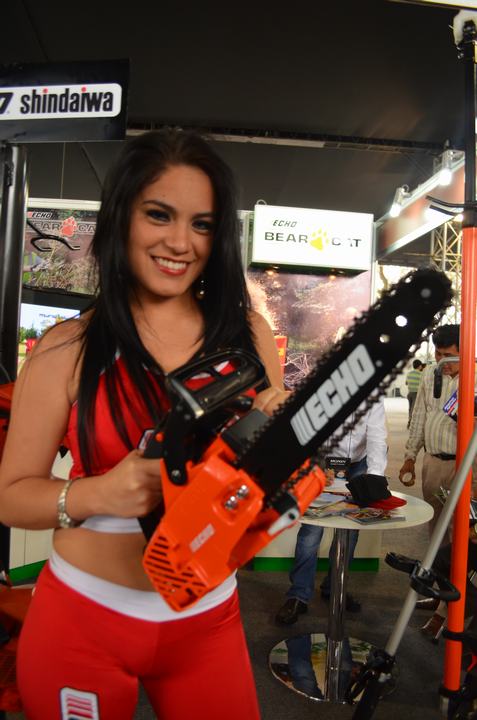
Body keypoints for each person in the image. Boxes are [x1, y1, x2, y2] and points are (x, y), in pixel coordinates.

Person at [0, 129, 288, 720]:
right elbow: (10, 496)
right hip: (82, 619)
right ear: (121, 218)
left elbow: (257, 481)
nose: (180, 242)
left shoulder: (249, 335)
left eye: (202, 224)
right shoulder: (68, 348)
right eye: (159, 214)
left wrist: (278, 457)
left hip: (208, 620)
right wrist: (100, 493)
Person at [275, 398, 388, 625]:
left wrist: (374, 475)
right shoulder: (325, 387)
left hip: (358, 464)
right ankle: (298, 594)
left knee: (350, 530)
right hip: (323, 461)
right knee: (311, 530)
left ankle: (336, 587)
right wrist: (313, 466)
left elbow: (376, 436)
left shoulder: (373, 393)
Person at [398, 324, 477, 611]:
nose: (442, 361)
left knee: (462, 534)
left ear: (464, 352)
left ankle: (454, 609)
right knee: (437, 531)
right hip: (432, 463)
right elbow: (419, 416)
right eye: (438, 354)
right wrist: (410, 456)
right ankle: (441, 596)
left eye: (448, 355)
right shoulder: (431, 374)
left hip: (465, 466)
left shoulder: (474, 378)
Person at [405, 359, 423, 428]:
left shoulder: (409, 373)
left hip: (409, 393)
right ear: (420, 366)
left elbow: (406, 383)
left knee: (410, 408)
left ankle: (410, 421)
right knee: (414, 409)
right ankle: (410, 422)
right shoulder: (421, 374)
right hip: (416, 394)